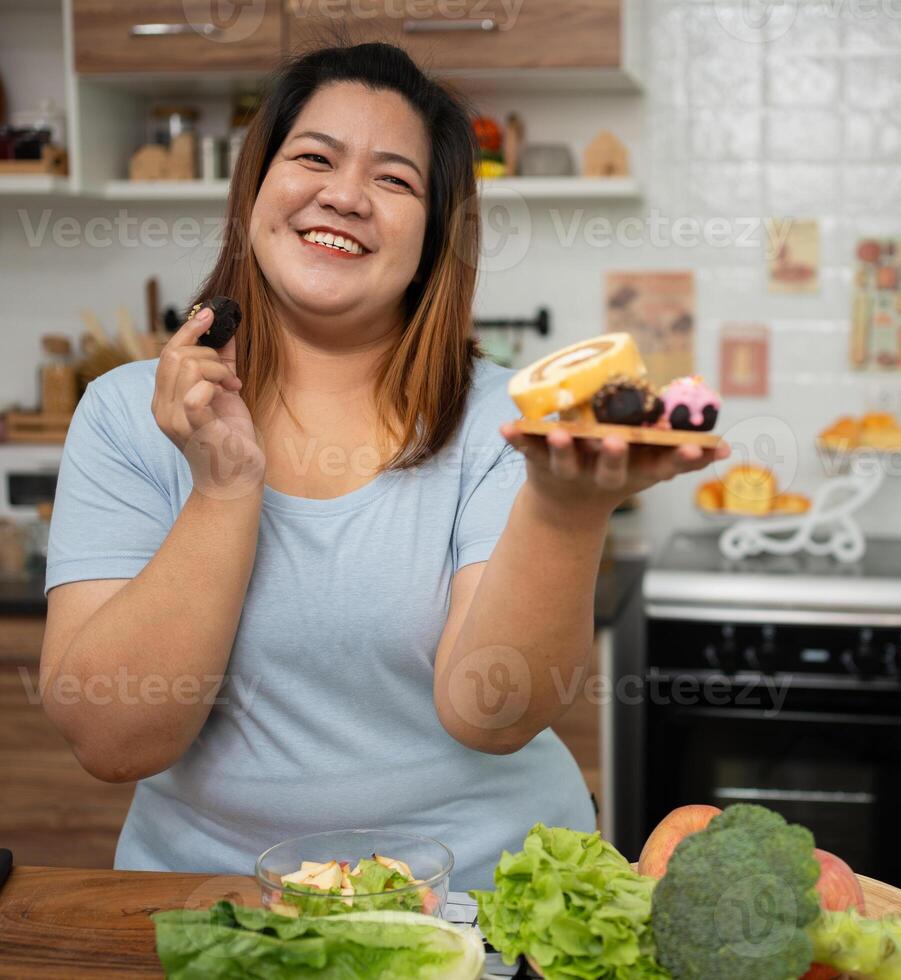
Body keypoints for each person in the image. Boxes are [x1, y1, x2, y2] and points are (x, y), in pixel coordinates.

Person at [39, 41, 726, 889]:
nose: (344, 194)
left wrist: (565, 510)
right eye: (313, 158)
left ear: (437, 232)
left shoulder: (509, 423)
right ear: (255, 189)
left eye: (394, 180)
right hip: (214, 902)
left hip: (478, 900)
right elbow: (111, 743)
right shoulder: (123, 416)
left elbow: (492, 713)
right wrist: (222, 488)